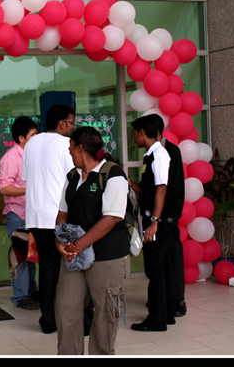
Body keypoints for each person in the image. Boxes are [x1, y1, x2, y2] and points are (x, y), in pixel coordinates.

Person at [54, 126, 130, 355]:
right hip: (74, 255)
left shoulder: (112, 174)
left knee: (105, 313)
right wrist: (60, 241)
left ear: (80, 147)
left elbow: (112, 217)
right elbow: (63, 212)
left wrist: (77, 245)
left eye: (71, 147)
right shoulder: (73, 176)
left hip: (106, 255)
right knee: (66, 309)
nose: (69, 152)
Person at [22, 103, 76, 333]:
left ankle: (48, 320)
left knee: (47, 267)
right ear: (62, 123)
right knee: (69, 267)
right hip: (58, 215)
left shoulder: (32, 143)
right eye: (72, 123)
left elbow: (26, 176)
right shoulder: (66, 144)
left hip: (36, 216)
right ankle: (67, 316)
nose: (73, 127)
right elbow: (74, 178)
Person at [129, 114, 178, 332]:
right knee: (163, 268)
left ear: (142, 133)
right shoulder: (150, 156)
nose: (134, 139)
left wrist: (154, 222)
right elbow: (149, 190)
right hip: (157, 219)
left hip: (158, 221)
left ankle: (157, 319)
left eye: (135, 134)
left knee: (155, 270)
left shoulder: (159, 155)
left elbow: (161, 190)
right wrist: (130, 184)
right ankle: (167, 315)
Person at [0, 116, 39, 309]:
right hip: (18, 214)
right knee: (21, 259)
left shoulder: (33, 155)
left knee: (30, 257)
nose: (36, 138)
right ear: (21, 138)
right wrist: (30, 189)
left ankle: (31, 292)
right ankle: (20, 296)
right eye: (33, 135)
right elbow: (4, 188)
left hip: (32, 214)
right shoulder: (11, 158)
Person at [152, 116, 187, 317]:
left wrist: (161, 217)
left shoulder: (170, 151)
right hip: (159, 215)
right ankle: (163, 299)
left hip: (168, 215)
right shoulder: (153, 152)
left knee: (173, 259)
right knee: (161, 261)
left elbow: (168, 188)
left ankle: (178, 301)